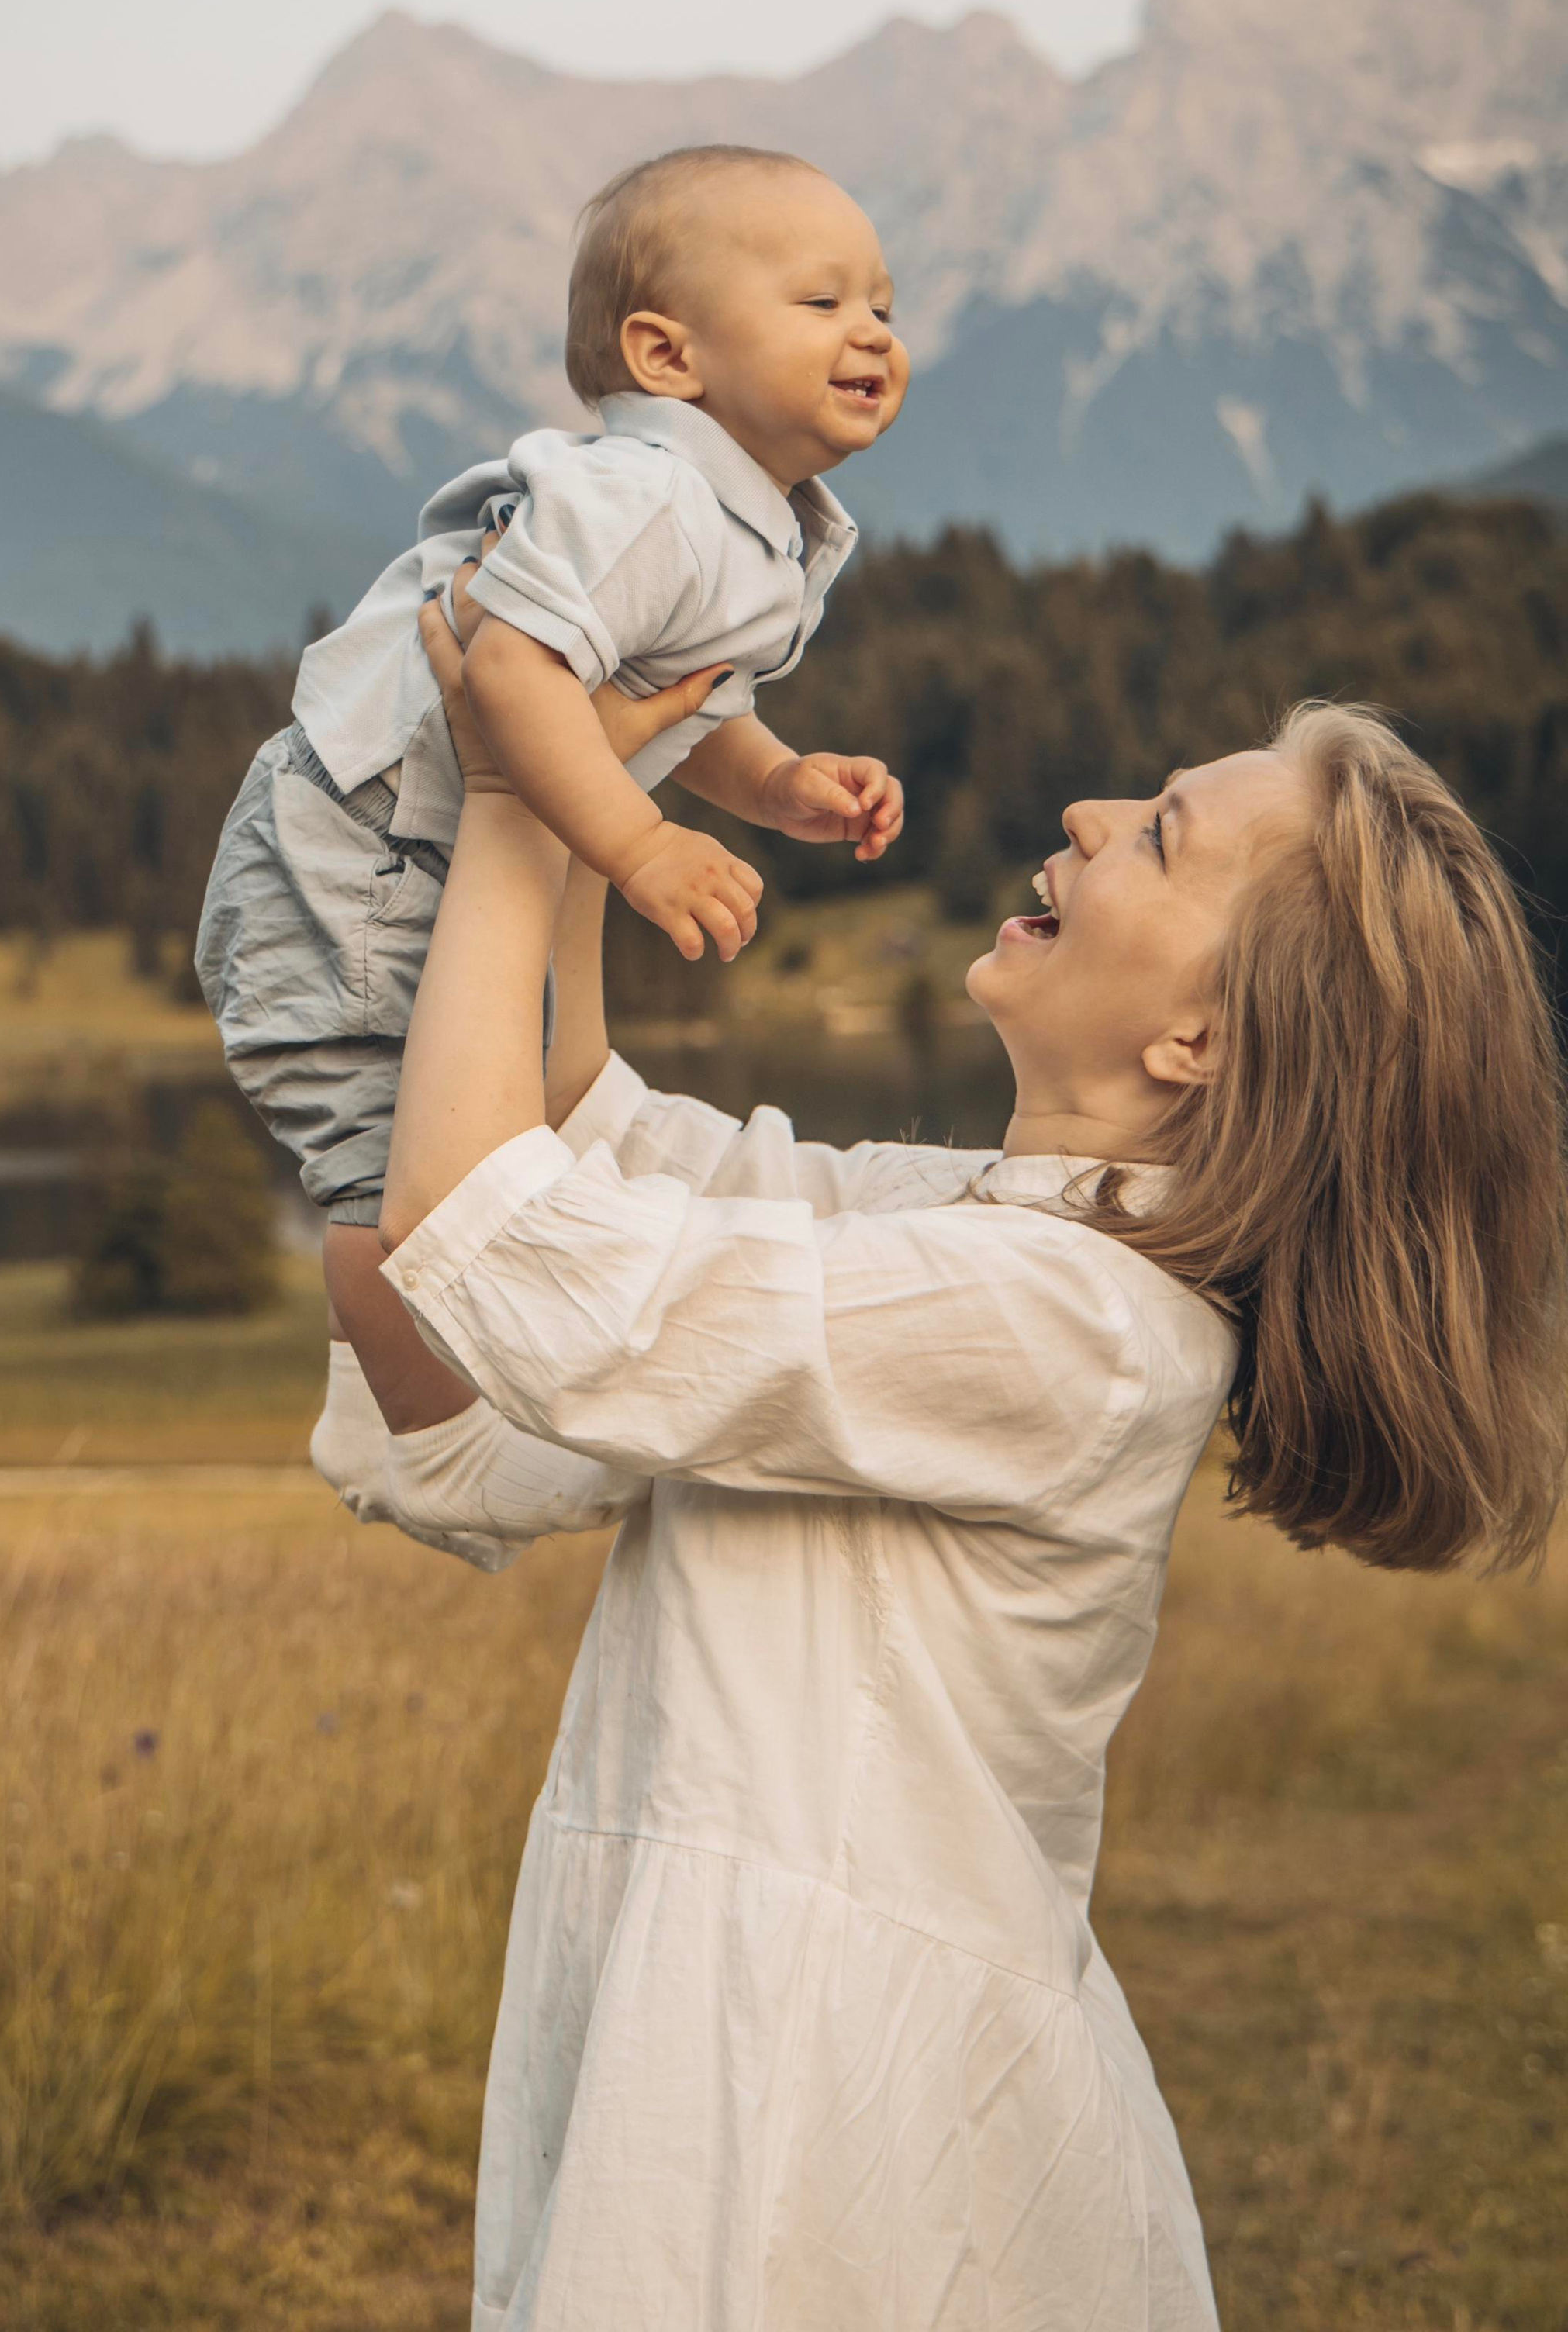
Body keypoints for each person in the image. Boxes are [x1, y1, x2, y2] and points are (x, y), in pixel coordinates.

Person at [371, 600, 1568, 2330]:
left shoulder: (1066, 1331)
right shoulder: (984, 1232)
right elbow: (586, 1136)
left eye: (1157, 836)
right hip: (737, 2002)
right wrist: (582, 778)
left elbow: (485, 1234)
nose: (1087, 816)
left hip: (821, 2095)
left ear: (1202, 1044)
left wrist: (503, 788)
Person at [196, 143, 908, 1561]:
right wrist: (639, 847)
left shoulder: (759, 528)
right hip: (361, 842)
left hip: (442, 843)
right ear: (668, 352)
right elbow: (513, 668)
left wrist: (777, 786)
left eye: (885, 303)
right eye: (823, 301)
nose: (874, 331)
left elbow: (687, 701)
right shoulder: (643, 492)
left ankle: (415, 1382)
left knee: (485, 1109)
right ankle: (416, 1431)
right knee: (382, 1142)